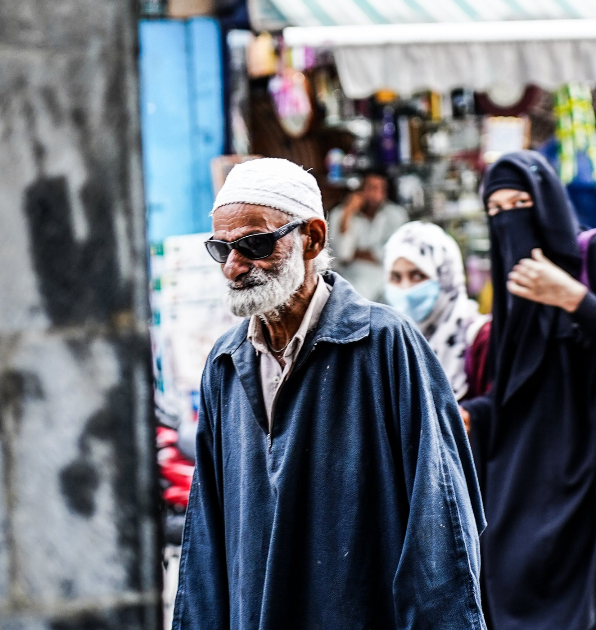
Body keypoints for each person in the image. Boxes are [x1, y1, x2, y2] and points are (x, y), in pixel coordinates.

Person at [173, 158, 487, 630]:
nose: (234, 267)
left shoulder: (384, 345)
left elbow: (440, 523)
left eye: (254, 245)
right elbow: (207, 540)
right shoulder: (225, 363)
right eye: (222, 249)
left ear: (312, 239)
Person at [460, 151, 596, 630]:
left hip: (591, 491)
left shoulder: (595, 256)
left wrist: (575, 299)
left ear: (547, 202)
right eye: (495, 211)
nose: (509, 219)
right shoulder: (511, 291)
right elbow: (523, 396)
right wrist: (475, 413)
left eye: (520, 202)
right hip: (520, 495)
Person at [382, 221, 490, 402]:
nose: (406, 289)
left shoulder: (481, 338)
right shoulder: (388, 344)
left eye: (418, 275)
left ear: (446, 276)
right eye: (395, 277)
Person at [327, 170, 410, 301]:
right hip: (353, 278)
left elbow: (393, 253)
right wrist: (347, 214)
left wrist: (358, 254)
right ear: (359, 191)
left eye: (382, 189)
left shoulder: (395, 214)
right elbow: (342, 255)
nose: (377, 195)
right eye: (372, 188)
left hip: (386, 277)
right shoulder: (340, 214)